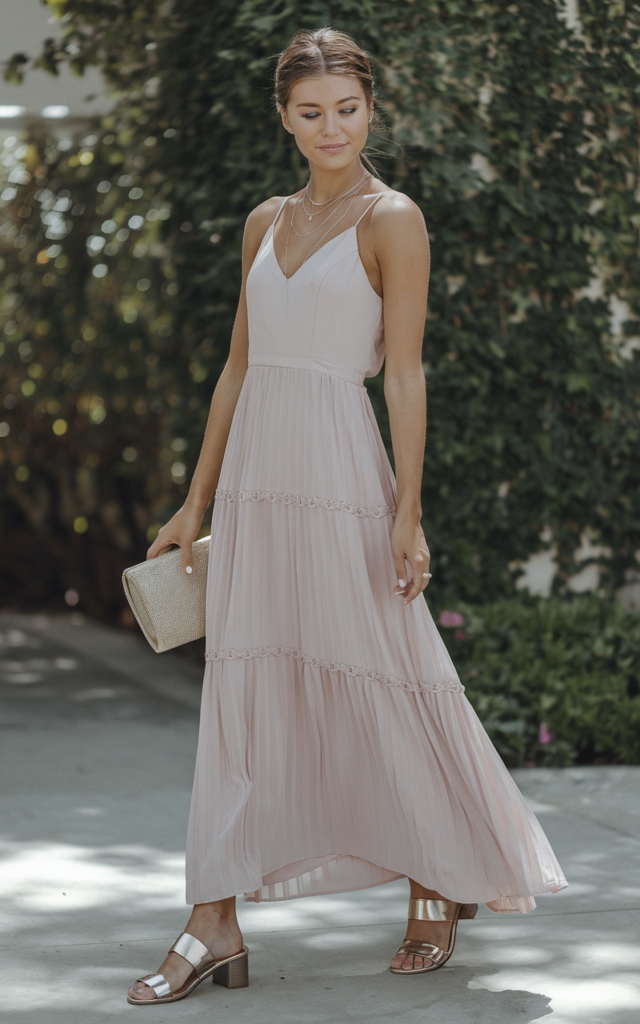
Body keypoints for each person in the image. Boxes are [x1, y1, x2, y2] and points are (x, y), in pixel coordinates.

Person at [127, 26, 567, 1005]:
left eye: (348, 109)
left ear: (371, 108)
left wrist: (406, 512)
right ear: (283, 117)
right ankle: (214, 917)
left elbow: (403, 374)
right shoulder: (263, 221)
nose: (332, 128)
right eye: (311, 112)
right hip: (254, 487)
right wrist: (193, 502)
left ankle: (435, 871)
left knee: (384, 676)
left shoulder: (392, 218)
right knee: (244, 693)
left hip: (340, 477)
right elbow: (239, 366)